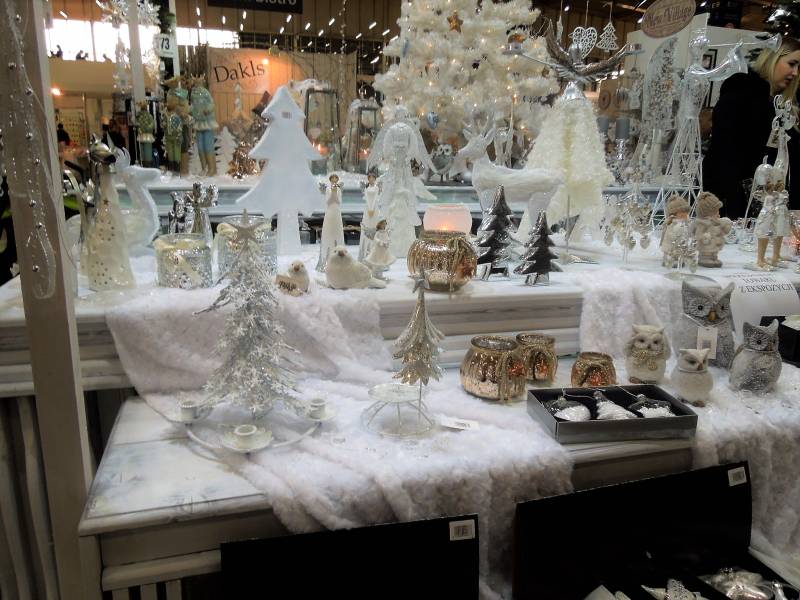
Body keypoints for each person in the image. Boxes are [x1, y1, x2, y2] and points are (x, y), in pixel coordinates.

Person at [704, 37, 800, 218]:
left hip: (771, 206)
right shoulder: (741, 95)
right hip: (735, 206)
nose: (795, 73)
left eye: (798, 67)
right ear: (773, 58)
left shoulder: (783, 106)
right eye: (791, 64)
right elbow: (724, 154)